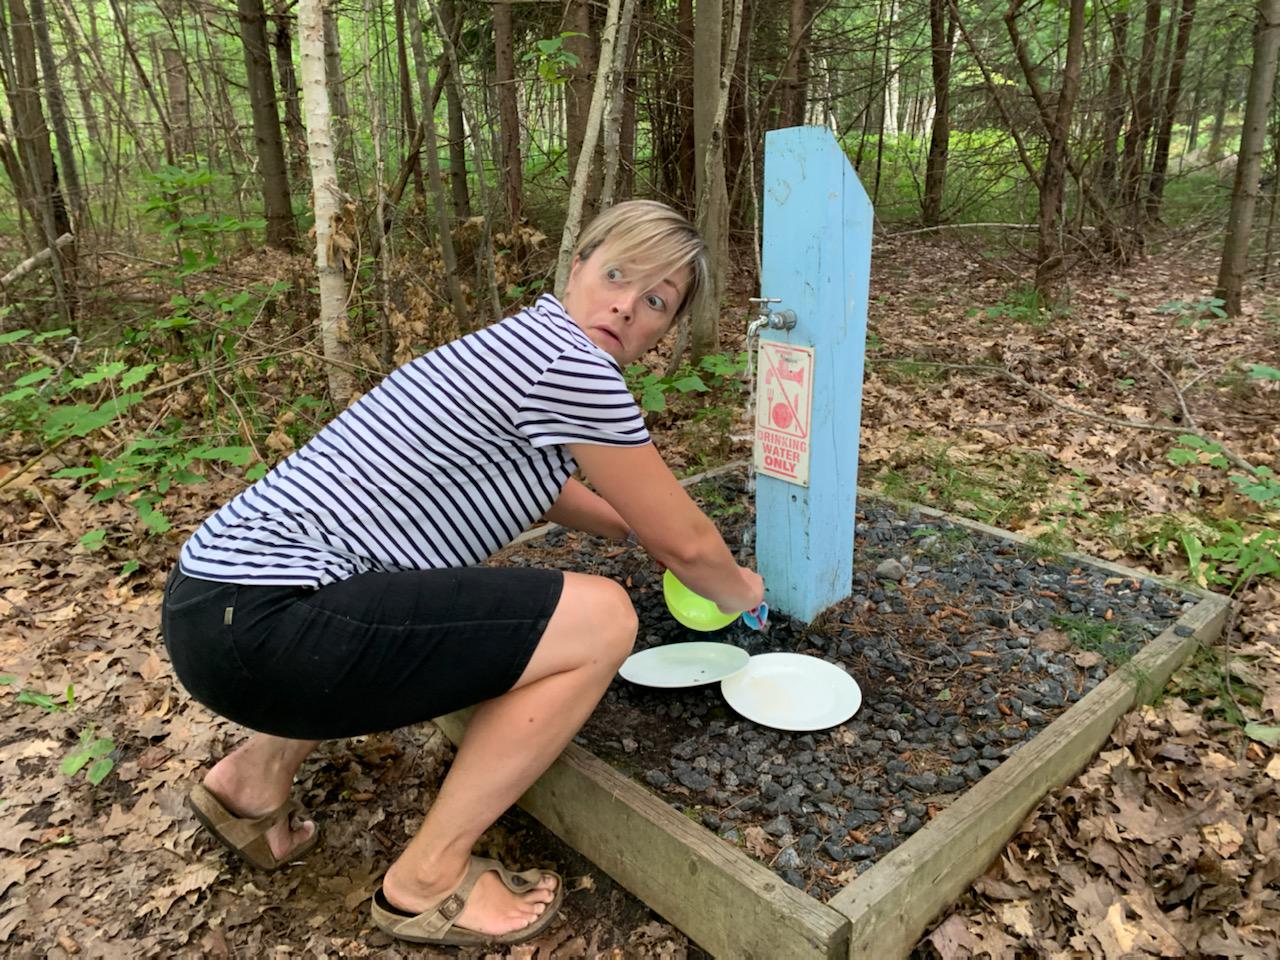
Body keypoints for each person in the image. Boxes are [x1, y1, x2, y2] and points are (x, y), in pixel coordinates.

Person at [161, 199, 765, 947]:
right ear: (575, 268)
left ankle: (248, 786)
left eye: (654, 302)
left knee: (374, 586)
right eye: (616, 275)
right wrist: (745, 593)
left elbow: (539, 483)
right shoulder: (573, 367)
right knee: (604, 617)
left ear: (664, 332)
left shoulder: (517, 346)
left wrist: (626, 525)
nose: (624, 306)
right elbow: (691, 548)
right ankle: (428, 879)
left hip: (210, 608)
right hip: (274, 630)